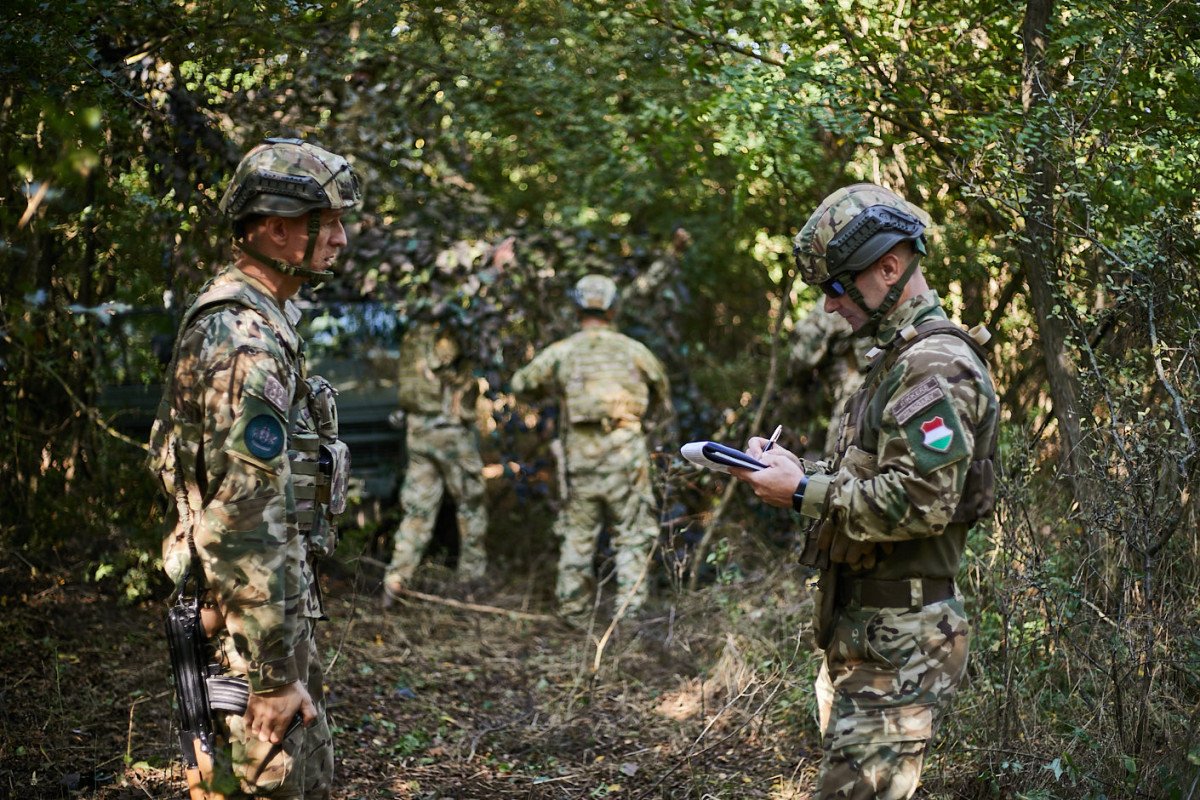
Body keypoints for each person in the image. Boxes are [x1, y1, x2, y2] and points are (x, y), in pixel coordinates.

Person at [730, 184, 999, 799]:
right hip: (868, 632)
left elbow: (922, 501)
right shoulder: (897, 360)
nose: (830, 307)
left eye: (836, 287)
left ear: (889, 266)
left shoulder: (934, 366)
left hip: (898, 639)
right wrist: (804, 472)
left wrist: (803, 493)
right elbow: (879, 474)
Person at [149, 138, 361, 799]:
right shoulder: (244, 339)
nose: (342, 240)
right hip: (246, 633)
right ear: (276, 227)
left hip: (267, 620)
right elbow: (243, 520)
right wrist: (269, 677)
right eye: (329, 222)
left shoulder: (268, 320)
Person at [512, 274, 672, 620]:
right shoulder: (633, 350)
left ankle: (574, 612)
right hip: (626, 453)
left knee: (578, 533)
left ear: (576, 308)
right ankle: (629, 615)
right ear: (613, 308)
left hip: (580, 455)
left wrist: (553, 392)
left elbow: (522, 383)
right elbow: (661, 391)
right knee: (631, 535)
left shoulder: (564, 351)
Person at [382, 317, 489, 602]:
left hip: (418, 431)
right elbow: (443, 362)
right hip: (448, 431)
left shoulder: (412, 336)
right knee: (471, 505)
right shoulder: (445, 332)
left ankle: (396, 579)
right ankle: (471, 582)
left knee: (418, 509)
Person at [788, 303, 873, 459]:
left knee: (839, 461)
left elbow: (802, 358)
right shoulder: (876, 292)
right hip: (882, 383)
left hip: (854, 390)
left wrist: (796, 380)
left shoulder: (831, 303)